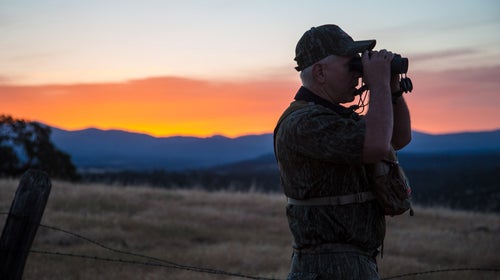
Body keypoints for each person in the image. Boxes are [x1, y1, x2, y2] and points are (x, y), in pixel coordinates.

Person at [273, 24, 412, 279]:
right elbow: (377, 146)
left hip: (353, 262)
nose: (358, 74)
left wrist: (391, 87)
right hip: (326, 267)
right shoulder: (304, 123)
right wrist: (378, 84)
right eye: (351, 65)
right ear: (320, 72)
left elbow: (398, 138)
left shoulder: (337, 117)